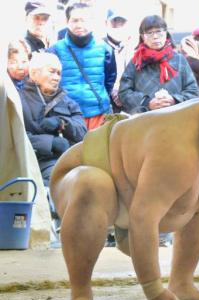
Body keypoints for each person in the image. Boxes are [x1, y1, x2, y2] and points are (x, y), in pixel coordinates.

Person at [49, 76, 199, 300]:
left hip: (129, 186)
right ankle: (81, 298)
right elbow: (143, 219)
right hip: (80, 173)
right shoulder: (176, 146)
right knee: (92, 184)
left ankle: (182, 284)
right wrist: (153, 290)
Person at [20, 52, 86, 186]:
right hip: (36, 162)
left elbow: (83, 133)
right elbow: (16, 138)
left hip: (70, 159)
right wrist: (50, 143)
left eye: (59, 73)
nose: (56, 77)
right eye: (51, 72)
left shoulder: (68, 102)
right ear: (34, 73)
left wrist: (63, 123)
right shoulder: (18, 100)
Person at [48, 2, 116, 130]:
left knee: (98, 149)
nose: (79, 25)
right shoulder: (55, 50)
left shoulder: (106, 50)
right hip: (67, 117)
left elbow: (109, 81)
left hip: (98, 114)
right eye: (74, 20)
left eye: (84, 20)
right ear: (67, 21)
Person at [119, 15, 199, 114]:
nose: (155, 36)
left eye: (159, 31)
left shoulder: (179, 60)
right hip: (145, 122)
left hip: (176, 119)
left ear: (166, 33)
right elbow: (124, 93)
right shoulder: (136, 62)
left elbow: (194, 91)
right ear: (142, 36)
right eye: (149, 33)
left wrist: (174, 100)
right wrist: (146, 102)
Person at [103, 7, 133, 113]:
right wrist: (112, 90)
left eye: (122, 23)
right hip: (105, 103)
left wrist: (124, 91)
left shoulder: (134, 47)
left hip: (129, 103)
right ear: (106, 23)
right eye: (114, 22)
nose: (118, 26)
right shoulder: (99, 47)